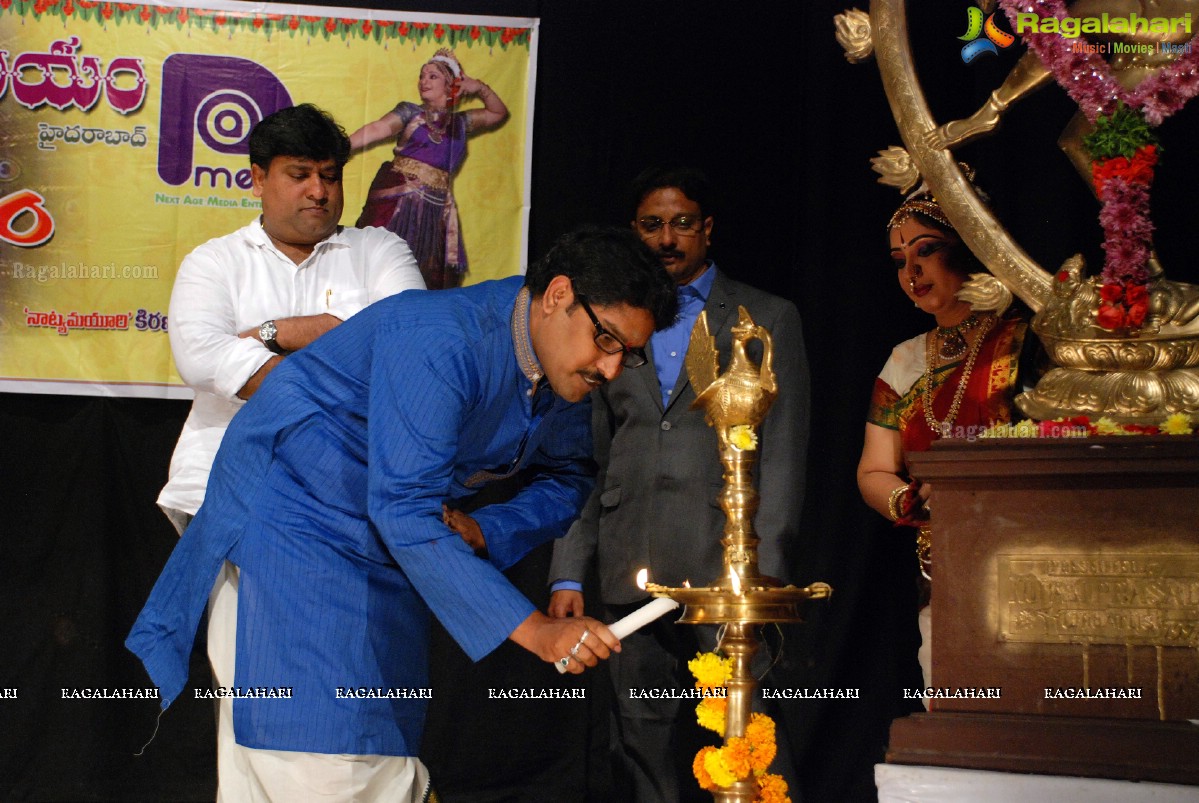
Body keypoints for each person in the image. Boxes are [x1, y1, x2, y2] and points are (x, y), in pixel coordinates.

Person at [127, 226, 678, 802]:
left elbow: (569, 476)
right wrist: (538, 631)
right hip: (293, 518)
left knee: (373, 741)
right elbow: (405, 510)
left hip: (384, 539)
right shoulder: (440, 336)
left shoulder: (561, 368)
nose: (612, 370)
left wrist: (487, 527)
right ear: (559, 295)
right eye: (607, 340)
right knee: (320, 749)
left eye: (628, 355)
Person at [547, 167, 810, 803]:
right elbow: (597, 462)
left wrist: (762, 570)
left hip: (727, 568)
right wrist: (567, 570)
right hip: (629, 564)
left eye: (682, 223)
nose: (668, 238)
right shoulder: (612, 326)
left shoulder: (765, 317)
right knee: (638, 740)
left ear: (708, 229)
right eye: (652, 225)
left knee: (743, 735)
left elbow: (785, 455)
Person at [156, 103, 425, 536]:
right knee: (240, 607)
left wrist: (268, 337)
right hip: (225, 483)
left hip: (351, 488)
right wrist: (322, 336)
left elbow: (408, 351)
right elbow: (203, 358)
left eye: (329, 176)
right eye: (300, 175)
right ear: (259, 178)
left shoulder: (380, 252)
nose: (319, 191)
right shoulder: (214, 262)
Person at [856, 182, 1029, 690]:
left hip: (1030, 552)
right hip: (944, 569)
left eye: (926, 251)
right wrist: (910, 500)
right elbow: (872, 471)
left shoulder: (1026, 340)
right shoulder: (904, 361)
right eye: (899, 260)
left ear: (972, 245)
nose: (912, 273)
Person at [350, 48, 508, 290]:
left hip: (435, 210)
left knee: (424, 278)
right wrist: (341, 146)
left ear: (450, 84)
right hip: (400, 201)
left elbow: (498, 112)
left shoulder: (461, 122)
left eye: (432, 76)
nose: (424, 81)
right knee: (379, 265)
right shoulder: (410, 112)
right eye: (422, 76)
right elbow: (377, 129)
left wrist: (481, 88)